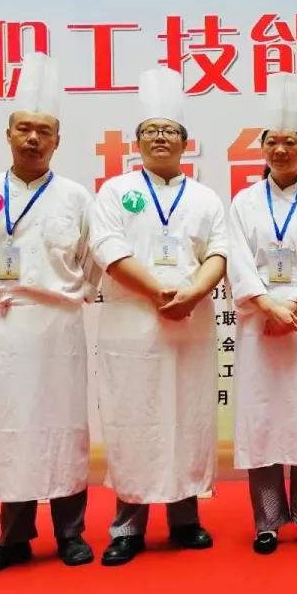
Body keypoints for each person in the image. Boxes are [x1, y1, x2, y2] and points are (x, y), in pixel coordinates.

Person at [0, 53, 98, 576]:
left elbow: (92, 264)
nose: (33, 138)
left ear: (58, 140)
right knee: (10, 428)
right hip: (8, 325)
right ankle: (13, 538)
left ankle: (70, 533)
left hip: (60, 326)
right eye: (24, 129)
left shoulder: (77, 197)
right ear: (8, 134)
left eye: (44, 131)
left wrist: (70, 294)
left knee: (64, 426)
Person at [89, 67, 227, 565]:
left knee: (187, 419)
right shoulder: (114, 191)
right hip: (133, 325)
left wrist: (192, 293)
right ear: (138, 141)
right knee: (134, 420)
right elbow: (108, 248)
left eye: (170, 130)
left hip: (189, 324)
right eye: (152, 130)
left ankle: (186, 518)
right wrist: (157, 292)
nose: (161, 137)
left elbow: (219, 252)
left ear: (185, 143)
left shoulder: (206, 197)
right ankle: (127, 527)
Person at [226, 86, 297, 554]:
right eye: (272, 141)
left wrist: (294, 304)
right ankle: (267, 519)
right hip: (259, 320)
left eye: (290, 141)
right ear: (262, 146)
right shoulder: (244, 202)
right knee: (263, 419)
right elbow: (237, 259)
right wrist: (268, 305)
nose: (280, 149)